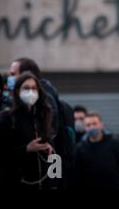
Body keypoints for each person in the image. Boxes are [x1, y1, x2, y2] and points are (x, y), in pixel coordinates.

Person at [9, 57, 76, 188]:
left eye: (13, 74)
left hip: (48, 164)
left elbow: (46, 135)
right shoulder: (46, 94)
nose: (9, 78)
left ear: (26, 75)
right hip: (50, 164)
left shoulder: (45, 99)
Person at [0, 72, 54, 189]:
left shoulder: (41, 116)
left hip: (38, 182)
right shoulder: (7, 117)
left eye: (34, 88)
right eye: (26, 88)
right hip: (11, 182)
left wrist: (48, 147)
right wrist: (26, 149)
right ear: (17, 91)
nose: (31, 92)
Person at [75, 112, 119, 189]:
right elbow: (77, 173)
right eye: (88, 125)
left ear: (101, 124)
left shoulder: (114, 144)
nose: (92, 127)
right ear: (85, 128)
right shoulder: (80, 148)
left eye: (95, 124)